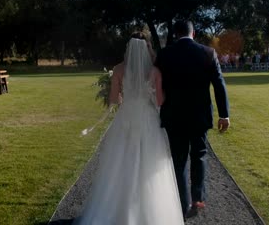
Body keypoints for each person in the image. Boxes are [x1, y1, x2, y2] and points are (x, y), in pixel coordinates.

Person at [73, 33, 185, 225]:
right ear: (145, 49)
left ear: (129, 49)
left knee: (120, 161)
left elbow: (114, 99)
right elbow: (159, 101)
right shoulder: (155, 71)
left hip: (126, 116)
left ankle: (114, 208)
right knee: (148, 163)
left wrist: (124, 97)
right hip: (148, 118)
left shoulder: (118, 69)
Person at [155, 20, 230, 218]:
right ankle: (198, 198)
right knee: (199, 155)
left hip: (173, 115)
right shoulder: (208, 53)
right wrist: (224, 114)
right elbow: (219, 85)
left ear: (175, 34)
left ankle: (182, 202)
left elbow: (156, 85)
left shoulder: (164, 54)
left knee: (178, 160)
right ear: (193, 33)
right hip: (199, 115)